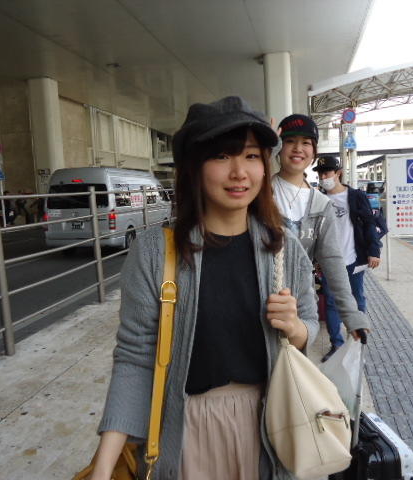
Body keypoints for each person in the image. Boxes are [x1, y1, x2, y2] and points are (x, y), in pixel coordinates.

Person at [89, 96, 319, 480]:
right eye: (222, 156)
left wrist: (295, 328)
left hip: (270, 429)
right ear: (194, 167)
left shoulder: (283, 247)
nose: (239, 172)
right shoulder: (155, 252)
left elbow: (310, 325)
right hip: (186, 432)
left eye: (251, 156)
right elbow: (135, 357)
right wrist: (103, 467)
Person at [271, 114, 370, 356]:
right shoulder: (260, 193)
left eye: (306, 142)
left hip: (300, 308)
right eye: (290, 141)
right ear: (278, 147)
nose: (298, 148)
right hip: (261, 301)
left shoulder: (321, 204)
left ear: (314, 151)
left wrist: (351, 315)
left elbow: (332, 260)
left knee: (293, 371)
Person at [313, 155, 381, 362]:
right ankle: (336, 344)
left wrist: (374, 251)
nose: (323, 177)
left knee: (357, 298)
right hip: (329, 262)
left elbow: (369, 223)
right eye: (320, 174)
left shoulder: (356, 196)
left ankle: (358, 341)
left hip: (353, 258)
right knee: (332, 303)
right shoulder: (318, 199)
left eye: (327, 173)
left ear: (338, 173)